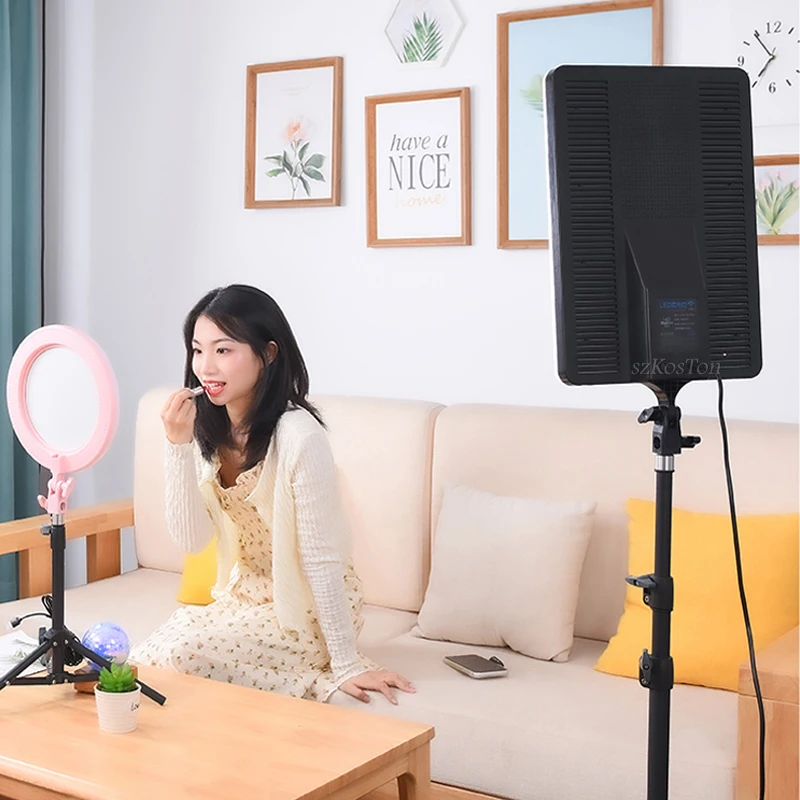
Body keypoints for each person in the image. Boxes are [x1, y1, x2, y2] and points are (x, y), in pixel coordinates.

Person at [130, 284, 415, 705]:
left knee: (181, 656)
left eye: (223, 350)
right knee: (139, 665)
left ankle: (316, 680)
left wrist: (345, 662)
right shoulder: (205, 431)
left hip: (306, 611)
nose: (206, 367)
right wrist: (177, 445)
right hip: (243, 598)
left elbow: (322, 557)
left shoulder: (300, 436)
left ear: (267, 354)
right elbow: (193, 541)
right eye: (197, 351)